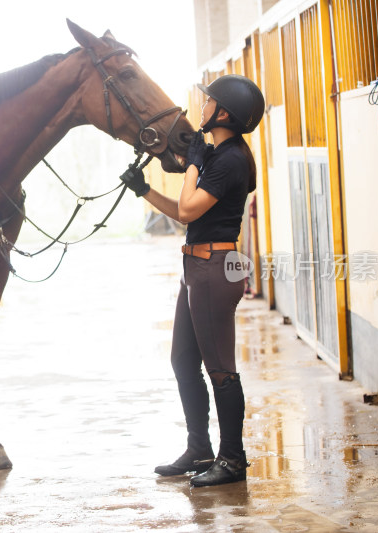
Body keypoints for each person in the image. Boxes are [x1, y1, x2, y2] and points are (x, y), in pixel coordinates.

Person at [120, 74, 265, 487]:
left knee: (220, 368)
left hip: (213, 270)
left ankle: (233, 460)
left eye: (208, 103)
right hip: (197, 267)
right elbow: (188, 213)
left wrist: (194, 163)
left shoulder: (231, 160)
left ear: (224, 113)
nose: (200, 108)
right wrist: (144, 190)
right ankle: (199, 447)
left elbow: (186, 210)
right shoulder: (220, 157)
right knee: (183, 360)